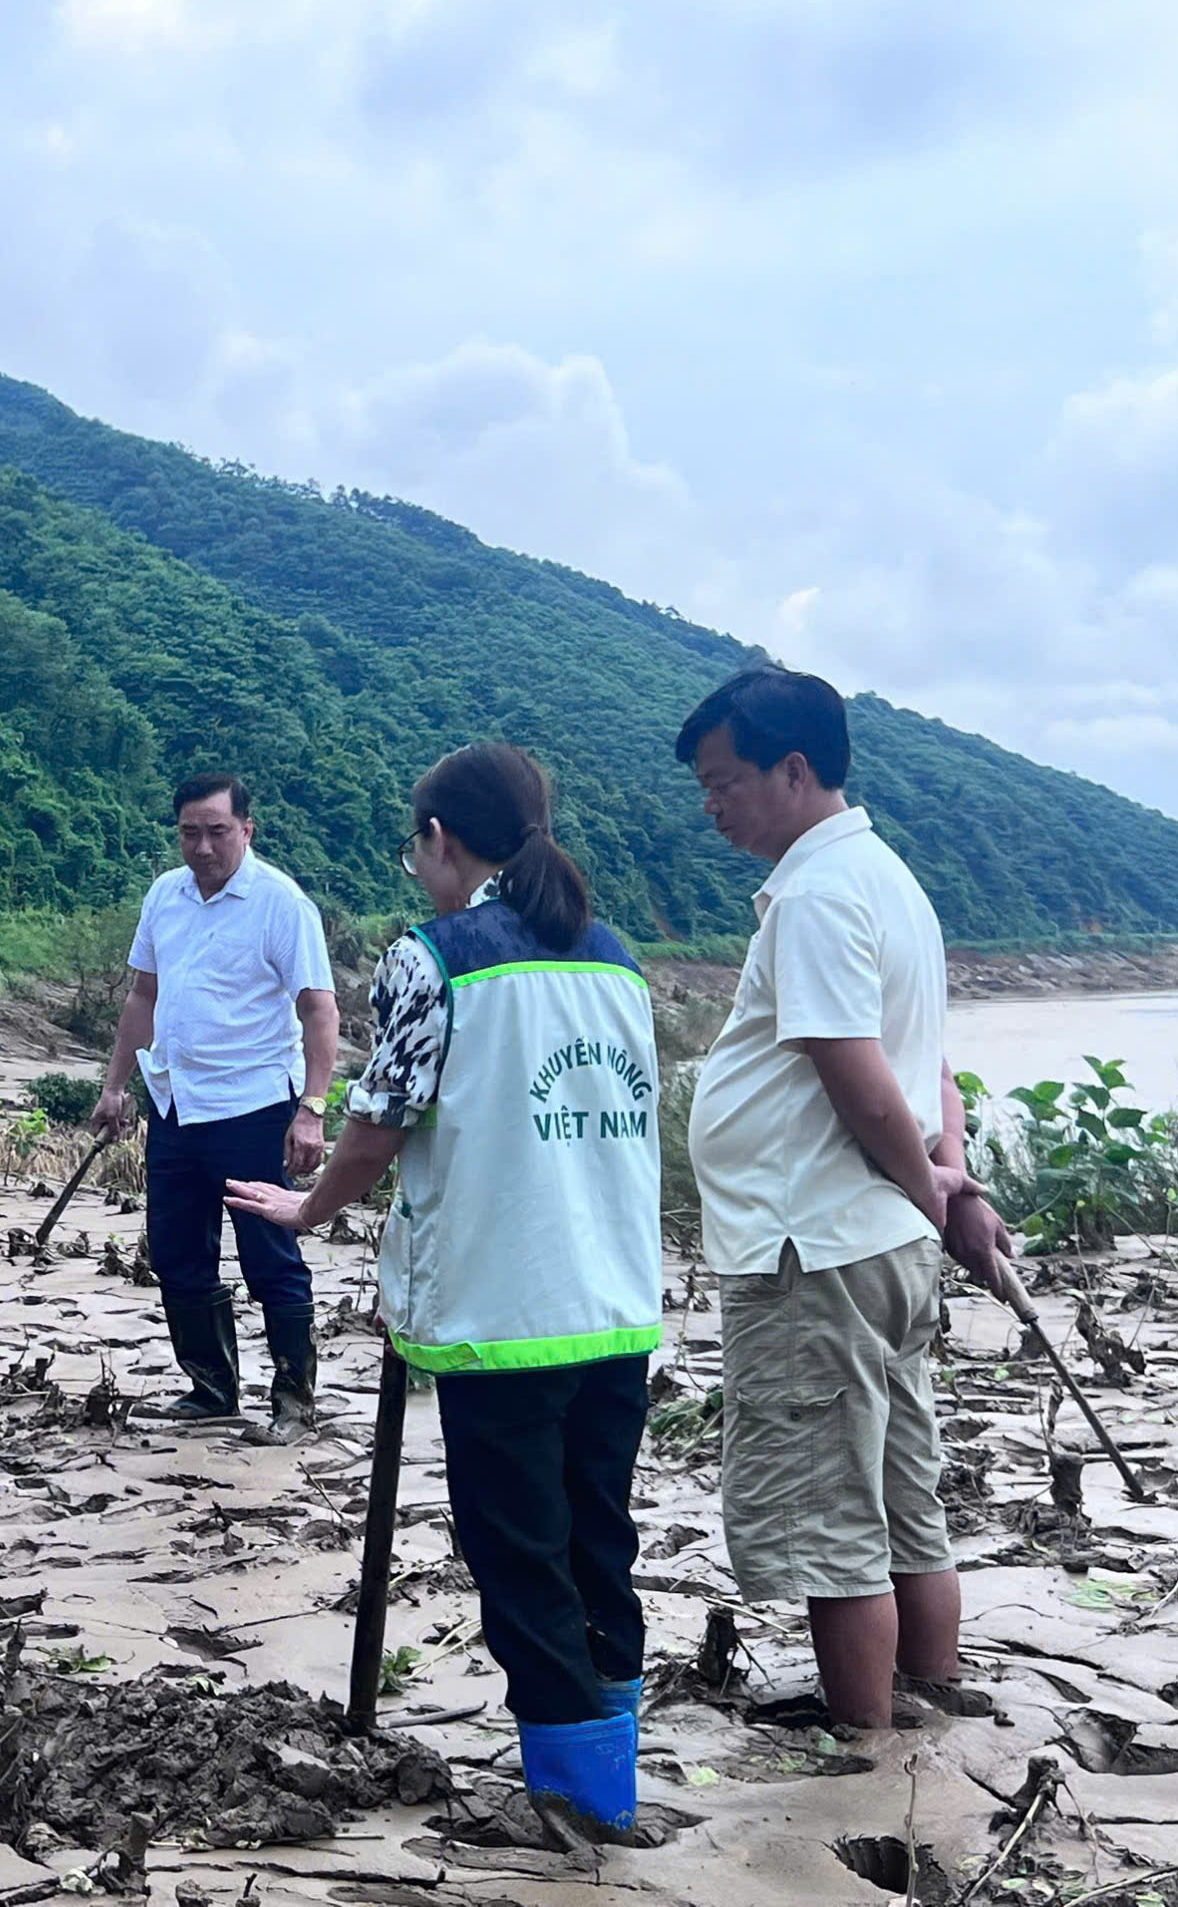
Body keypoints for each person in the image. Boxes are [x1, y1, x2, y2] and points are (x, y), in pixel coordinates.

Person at [230, 742, 663, 1842]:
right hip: (614, 1306)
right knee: (595, 1542)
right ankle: (609, 1774)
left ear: (439, 840)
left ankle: (572, 1808)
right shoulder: (612, 956)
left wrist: (309, 1209)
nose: (414, 862)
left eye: (414, 844)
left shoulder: (432, 959)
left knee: (519, 1554)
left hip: (503, 1312)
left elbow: (377, 1126)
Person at [677, 667, 1010, 1729]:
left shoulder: (818, 894)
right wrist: (945, 1189)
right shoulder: (884, 878)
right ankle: (925, 1693)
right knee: (902, 1491)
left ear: (794, 768)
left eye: (724, 780)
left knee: (832, 1510)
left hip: (814, 1246)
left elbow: (862, 1078)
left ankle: (860, 1739)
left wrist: (928, 1188)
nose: (710, 803)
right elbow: (934, 1068)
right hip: (876, 1248)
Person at [90, 773, 339, 1444]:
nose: (202, 847)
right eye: (190, 833)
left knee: (270, 1256)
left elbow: (319, 1012)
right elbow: (144, 997)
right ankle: (211, 1391)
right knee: (176, 1254)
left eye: (217, 832)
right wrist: (117, 1085)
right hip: (175, 1102)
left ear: (247, 830)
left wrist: (312, 1109)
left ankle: (292, 1402)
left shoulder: (281, 904)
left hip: (254, 1104)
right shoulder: (164, 896)